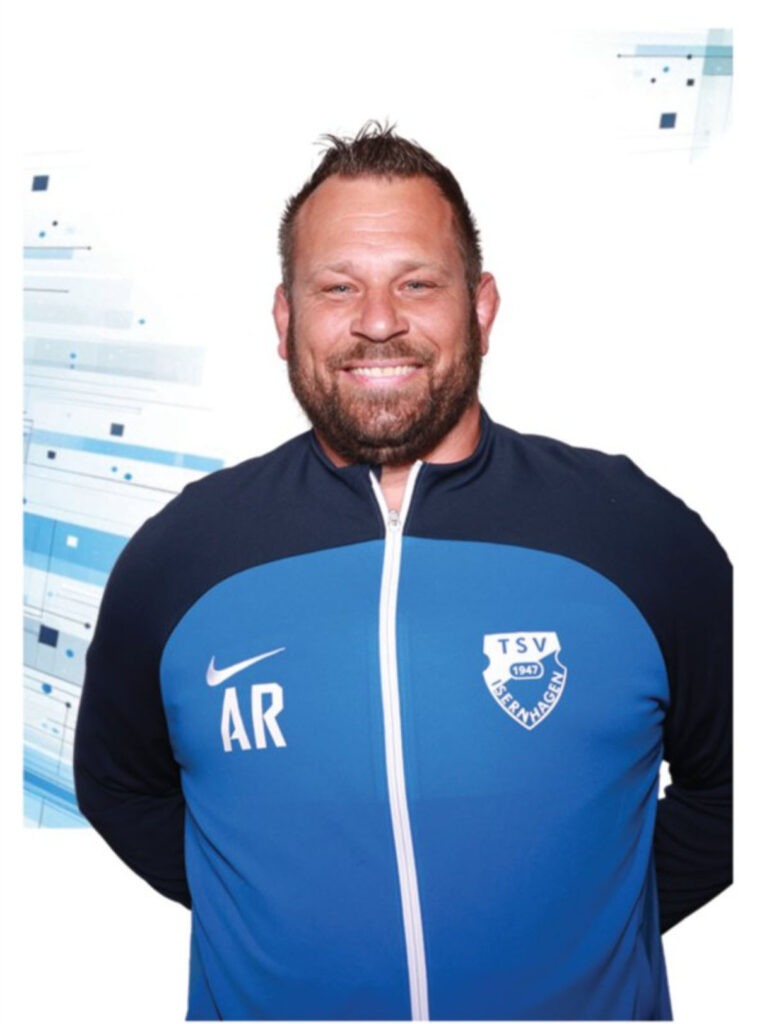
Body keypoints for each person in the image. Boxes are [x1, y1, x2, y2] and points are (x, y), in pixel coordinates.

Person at [74, 122, 732, 1021]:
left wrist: (593, 917)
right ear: (284, 320)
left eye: (416, 284)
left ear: (481, 308)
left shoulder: (634, 533)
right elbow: (119, 787)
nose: (378, 321)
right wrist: (270, 917)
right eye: (337, 287)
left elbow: (734, 787)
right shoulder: (181, 555)